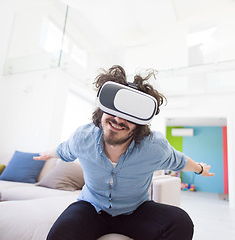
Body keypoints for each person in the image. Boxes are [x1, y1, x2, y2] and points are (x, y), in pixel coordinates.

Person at [34, 65, 215, 240]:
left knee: (180, 222)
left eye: (129, 116)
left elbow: (180, 161)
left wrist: (199, 169)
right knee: (60, 233)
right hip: (91, 208)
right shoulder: (83, 138)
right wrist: (47, 154)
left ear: (139, 124)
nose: (119, 119)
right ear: (102, 109)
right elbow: (63, 150)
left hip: (136, 211)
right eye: (113, 110)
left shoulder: (154, 147)